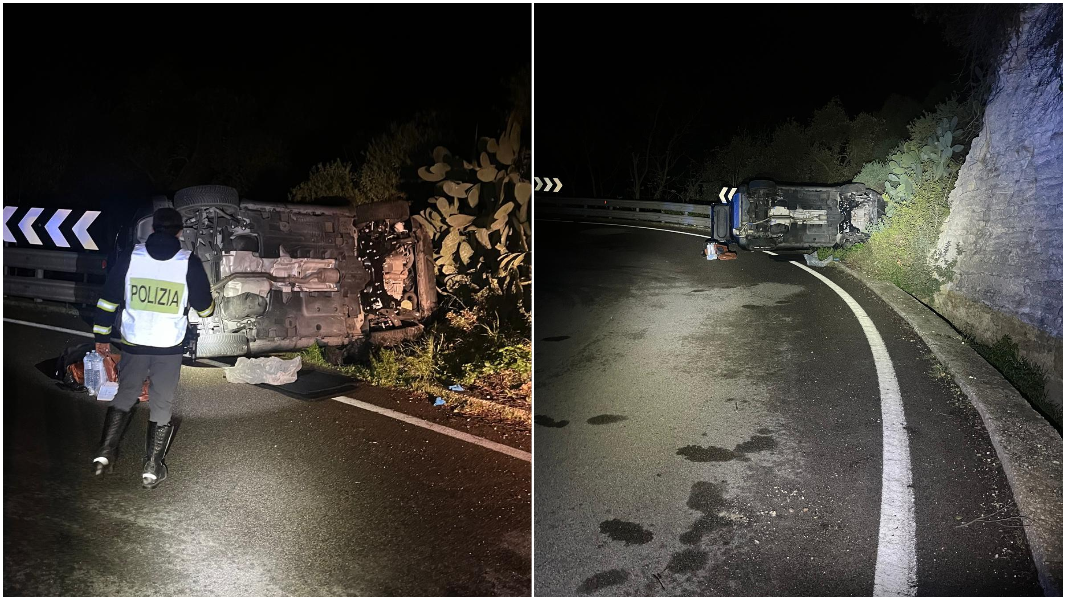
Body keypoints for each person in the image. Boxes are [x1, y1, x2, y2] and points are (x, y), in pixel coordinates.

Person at [91, 207, 215, 489]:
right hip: (168, 346)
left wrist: (101, 336)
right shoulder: (188, 262)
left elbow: (108, 299)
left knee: (126, 394)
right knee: (162, 402)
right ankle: (151, 467)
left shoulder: (131, 258)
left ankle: (105, 452)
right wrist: (207, 306)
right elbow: (204, 308)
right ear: (180, 232)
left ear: (153, 229)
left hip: (134, 342)